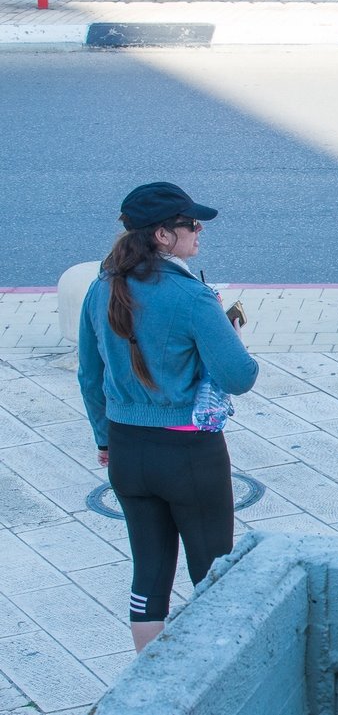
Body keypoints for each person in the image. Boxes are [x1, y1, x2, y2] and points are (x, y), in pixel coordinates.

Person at [77, 182, 259, 652]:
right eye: (191, 224)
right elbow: (239, 376)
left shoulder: (100, 288)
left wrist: (104, 440)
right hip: (188, 455)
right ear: (162, 235)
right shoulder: (192, 298)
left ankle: (147, 686)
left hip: (126, 450)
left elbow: (89, 375)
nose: (199, 231)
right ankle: (212, 680)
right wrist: (229, 331)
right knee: (212, 572)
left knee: (149, 573)